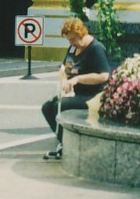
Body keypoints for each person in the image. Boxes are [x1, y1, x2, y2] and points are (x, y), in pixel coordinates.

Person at [41, 17, 111, 161]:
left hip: (94, 95)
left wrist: (78, 79)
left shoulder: (96, 49)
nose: (71, 43)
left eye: (73, 39)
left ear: (82, 35)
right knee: (47, 107)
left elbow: (104, 75)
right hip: (78, 93)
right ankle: (64, 142)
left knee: (60, 106)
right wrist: (65, 80)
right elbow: (65, 67)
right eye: (69, 40)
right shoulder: (74, 47)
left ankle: (65, 145)